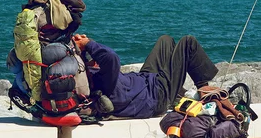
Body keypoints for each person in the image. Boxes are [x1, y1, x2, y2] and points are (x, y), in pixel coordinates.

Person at [73, 34, 219, 119]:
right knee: (188, 42)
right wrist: (88, 43)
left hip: (146, 82)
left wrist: (83, 49)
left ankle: (177, 92)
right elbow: (111, 58)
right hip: (157, 95)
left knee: (165, 40)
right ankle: (204, 89)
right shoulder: (103, 78)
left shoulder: (91, 77)